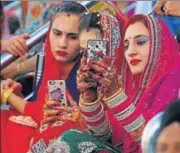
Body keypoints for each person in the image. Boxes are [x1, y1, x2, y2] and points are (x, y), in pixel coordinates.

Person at [63, 14, 180, 153]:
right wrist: (90, 99)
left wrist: (115, 96)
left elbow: (153, 141)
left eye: (141, 42)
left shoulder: (174, 81)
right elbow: (106, 137)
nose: (130, 52)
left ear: (159, 43)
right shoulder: (129, 83)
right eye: (126, 45)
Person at [0, 2, 88, 153]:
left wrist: (8, 96)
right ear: (49, 33)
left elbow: (53, 118)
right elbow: (41, 109)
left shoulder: (89, 71)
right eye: (57, 33)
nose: (62, 44)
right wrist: (16, 93)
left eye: (72, 37)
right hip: (42, 132)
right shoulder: (51, 62)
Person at [43, 11, 126, 153]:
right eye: (83, 51)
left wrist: (114, 94)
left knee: (69, 138)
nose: (88, 58)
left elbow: (134, 139)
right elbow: (103, 136)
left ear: (113, 44)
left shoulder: (132, 78)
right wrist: (89, 99)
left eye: (95, 48)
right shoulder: (89, 75)